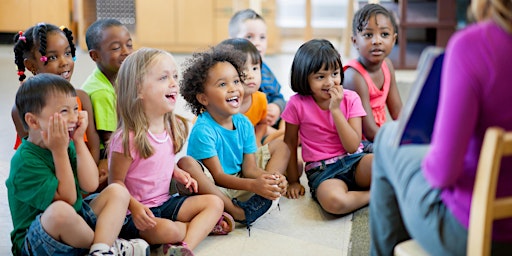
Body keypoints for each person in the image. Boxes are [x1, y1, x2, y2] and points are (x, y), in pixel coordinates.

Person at [369, 0, 512, 254]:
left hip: (473, 233)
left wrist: (438, 146)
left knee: (388, 138)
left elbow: (442, 173)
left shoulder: (474, 46)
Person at [6, 73, 149, 256]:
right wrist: (59, 152)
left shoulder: (67, 142)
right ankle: (108, 245)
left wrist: (79, 141)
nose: (74, 117)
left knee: (118, 191)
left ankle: (101, 250)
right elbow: (67, 200)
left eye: (75, 108)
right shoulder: (24, 162)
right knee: (60, 211)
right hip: (38, 242)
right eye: (64, 111)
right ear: (33, 121)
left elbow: (90, 184)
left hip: (76, 222)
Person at [109, 48, 230, 255]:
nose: (174, 83)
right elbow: (115, 185)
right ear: (139, 89)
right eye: (164, 77)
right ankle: (197, 229)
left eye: (175, 76)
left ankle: (183, 249)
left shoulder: (171, 127)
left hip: (164, 202)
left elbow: (160, 161)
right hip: (135, 213)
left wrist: (176, 172)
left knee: (215, 202)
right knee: (169, 230)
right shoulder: (127, 138)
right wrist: (136, 208)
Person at [178, 44, 288, 233]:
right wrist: (254, 184)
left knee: (281, 146)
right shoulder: (203, 129)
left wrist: (271, 179)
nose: (233, 89)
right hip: (215, 187)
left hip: (240, 180)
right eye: (223, 84)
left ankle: (267, 192)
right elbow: (219, 178)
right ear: (204, 98)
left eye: (236, 81)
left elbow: (250, 168)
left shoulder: (243, 123)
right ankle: (235, 212)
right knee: (186, 164)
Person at [282, 39, 373, 215]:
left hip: (354, 160)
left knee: (385, 165)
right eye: (320, 77)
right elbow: (290, 143)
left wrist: (336, 110)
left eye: (335, 74)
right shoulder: (296, 104)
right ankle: (373, 195)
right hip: (323, 171)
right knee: (335, 203)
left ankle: (367, 190)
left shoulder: (351, 98)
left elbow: (353, 146)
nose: (330, 82)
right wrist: (293, 180)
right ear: (304, 77)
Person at [12, 23, 100, 164]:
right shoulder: (22, 108)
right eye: (52, 57)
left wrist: (90, 177)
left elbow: (94, 147)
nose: (64, 62)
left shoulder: (81, 98)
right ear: (31, 66)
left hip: (84, 176)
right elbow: (33, 157)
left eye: (67, 53)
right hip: (47, 177)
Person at [218, 38, 290, 168]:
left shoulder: (261, 99)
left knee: (282, 148)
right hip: (224, 157)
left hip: (250, 152)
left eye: (255, 68)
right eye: (243, 69)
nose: (251, 75)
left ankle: (270, 182)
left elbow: (262, 123)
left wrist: (256, 140)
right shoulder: (219, 102)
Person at [82, 19, 134, 190]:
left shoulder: (117, 78)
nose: (126, 52)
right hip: (103, 153)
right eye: (116, 48)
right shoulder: (100, 92)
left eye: (129, 44)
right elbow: (111, 140)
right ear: (95, 56)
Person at [343, 3, 402, 153]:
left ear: (394, 39)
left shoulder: (387, 65)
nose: (377, 41)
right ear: (355, 41)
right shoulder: (354, 76)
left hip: (377, 135)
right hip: (358, 143)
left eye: (384, 34)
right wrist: (396, 141)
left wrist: (410, 133)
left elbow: (397, 111)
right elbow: (368, 130)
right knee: (393, 154)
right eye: (368, 35)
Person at [229, 9, 286, 136]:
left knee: (292, 113)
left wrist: (277, 107)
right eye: (249, 37)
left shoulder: (265, 69)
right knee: (281, 139)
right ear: (232, 42)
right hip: (251, 126)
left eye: (262, 37)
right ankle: (283, 137)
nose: (257, 43)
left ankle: (285, 135)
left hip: (269, 119)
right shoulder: (229, 73)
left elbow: (279, 97)